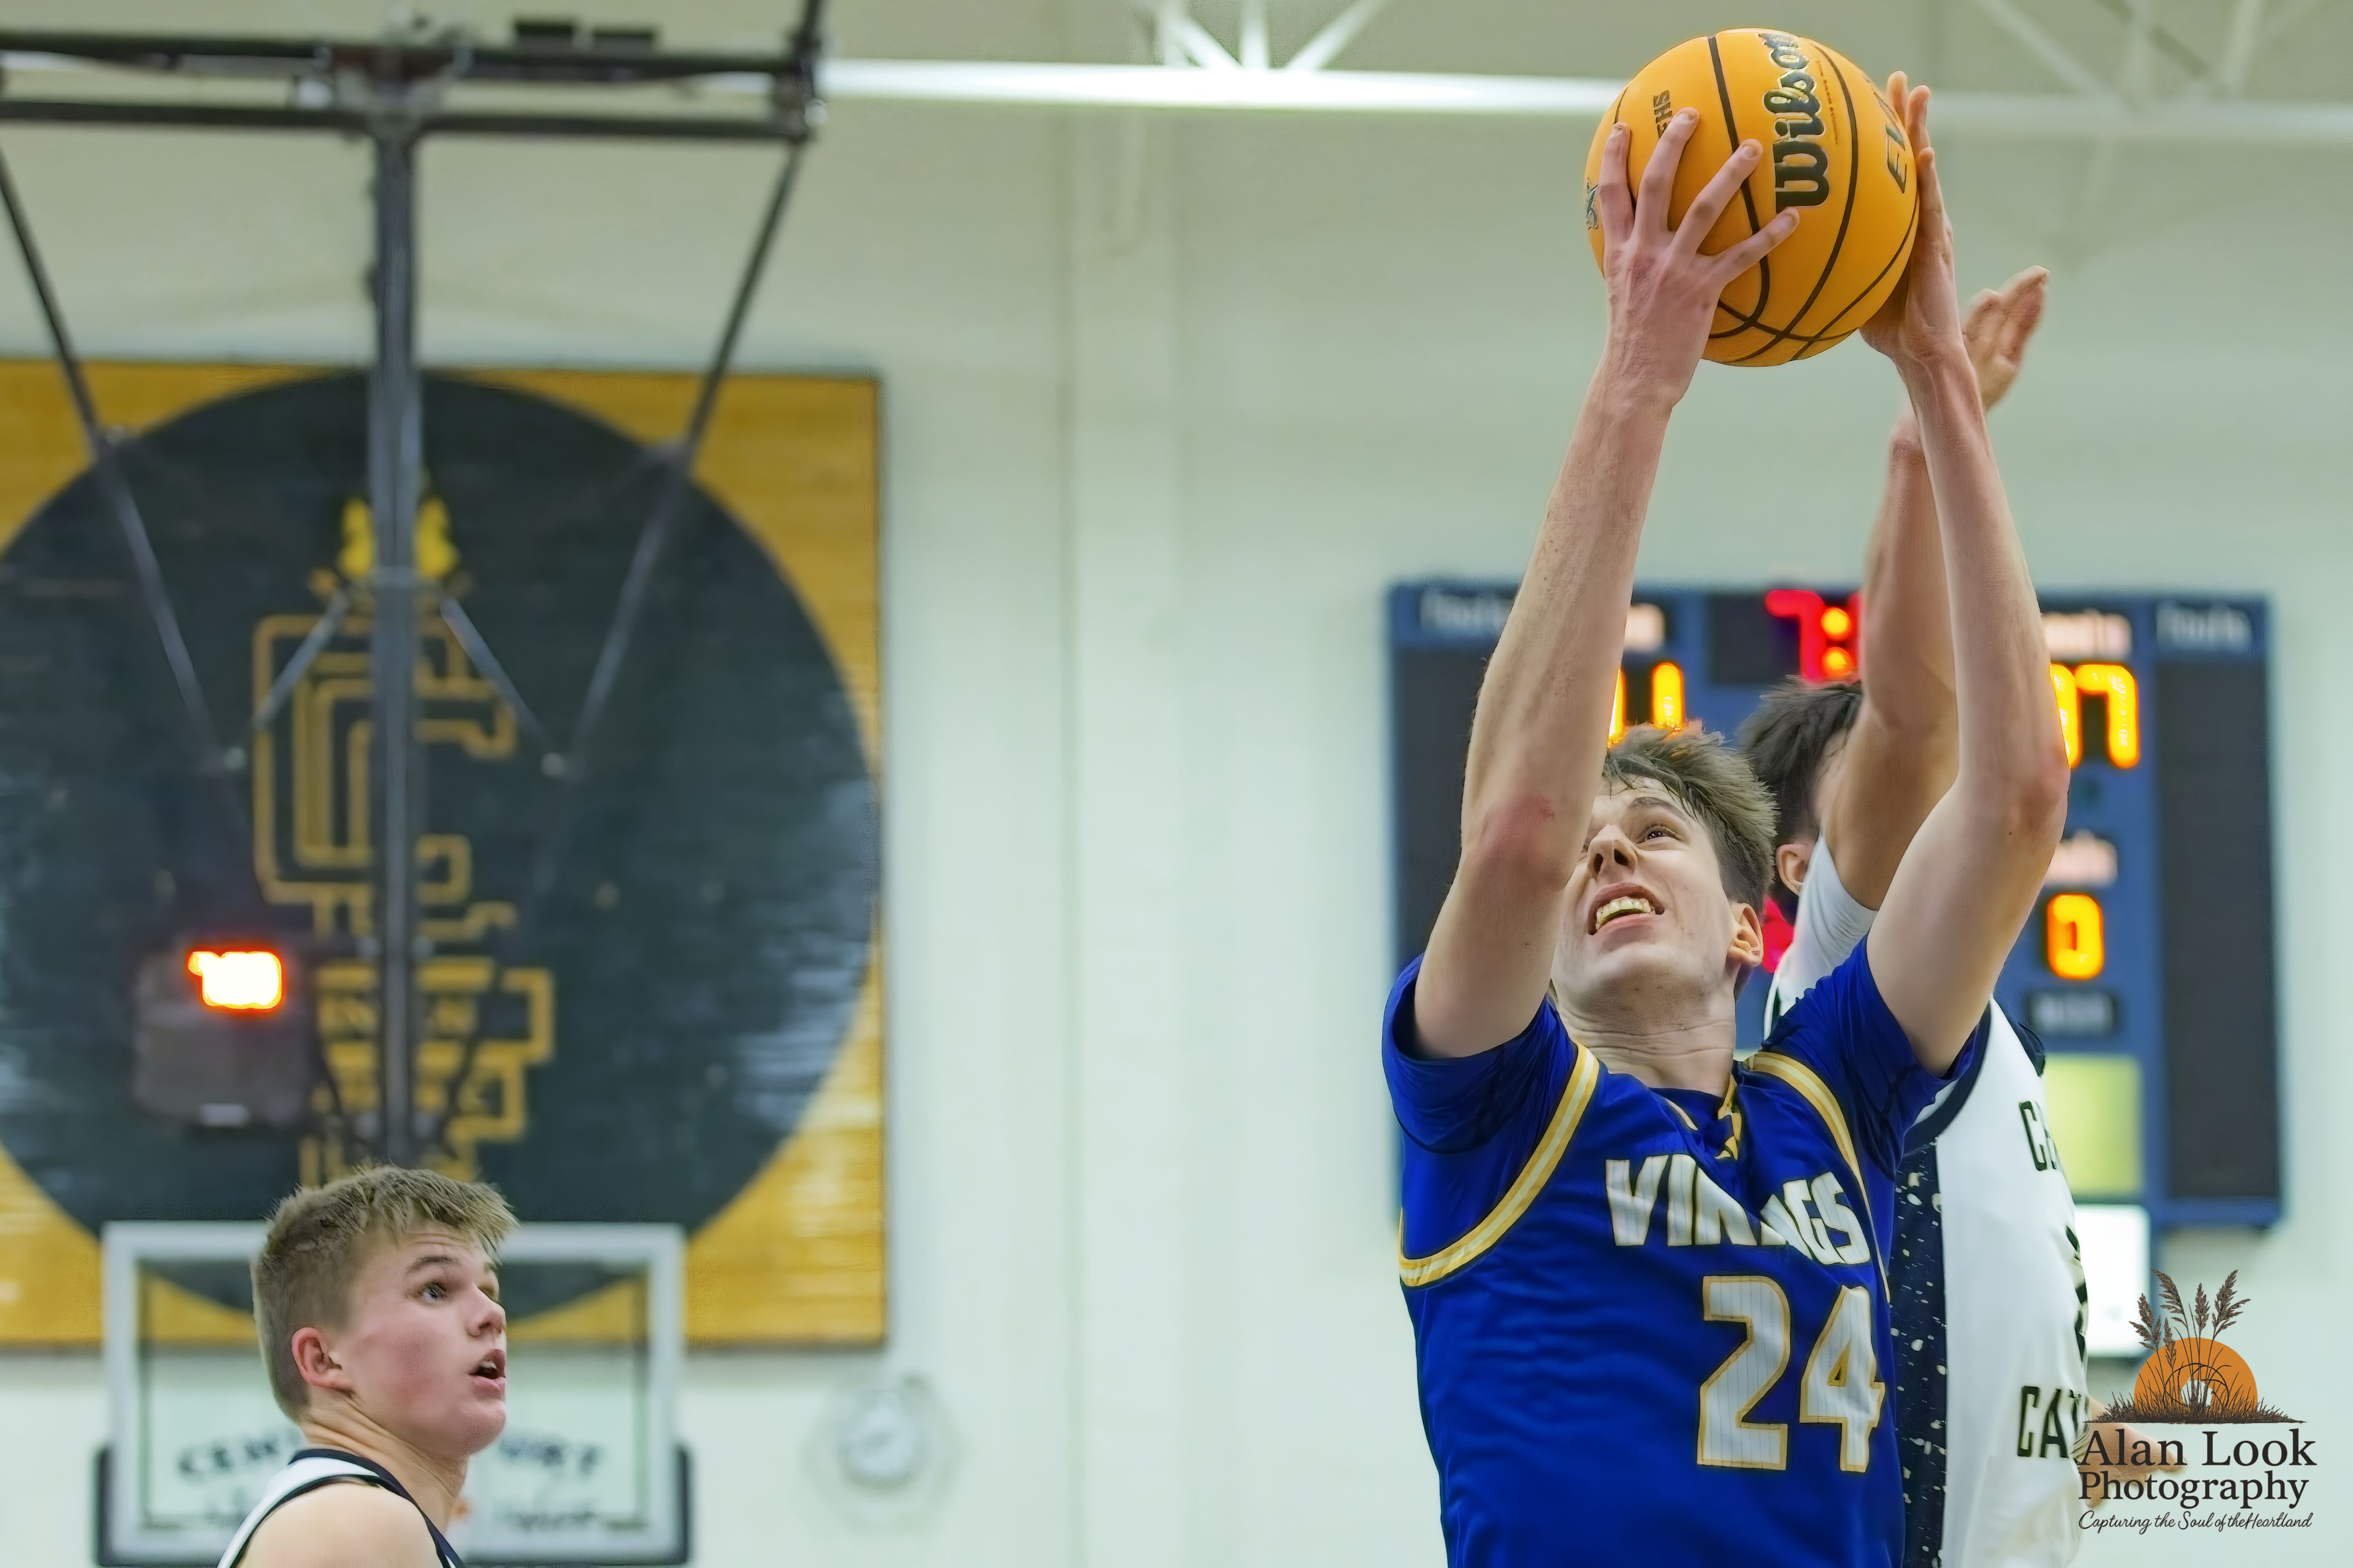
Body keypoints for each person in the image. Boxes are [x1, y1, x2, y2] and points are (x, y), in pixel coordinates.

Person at [1385, 76, 2068, 1565]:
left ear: (1756, 926)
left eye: (1651, 831)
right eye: (1590, 841)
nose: (1601, 848)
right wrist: (1637, 380)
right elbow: (1517, 828)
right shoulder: (1493, 1110)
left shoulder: (1829, 1096)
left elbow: (2018, 792)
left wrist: (1936, 379)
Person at [1741, 271, 2166, 1564]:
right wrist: (1926, 436)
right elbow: (1919, 708)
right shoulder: (1842, 966)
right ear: (1801, 867)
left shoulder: (1965, 1027)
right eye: (1884, 793)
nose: (1935, 811)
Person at [219, 1164, 514, 1568]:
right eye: (434, 1290)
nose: (493, 1314)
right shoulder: (354, 1521)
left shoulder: (345, 1515)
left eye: (489, 1291)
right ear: (324, 1359)